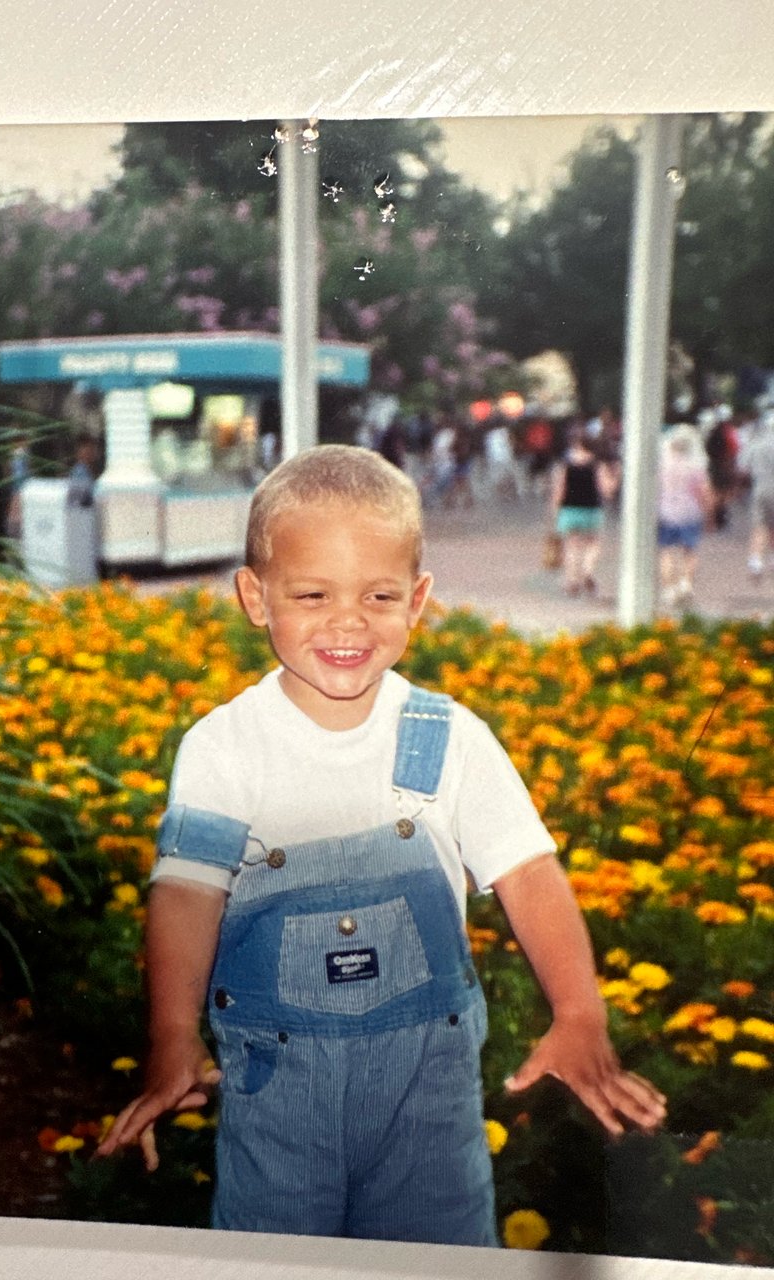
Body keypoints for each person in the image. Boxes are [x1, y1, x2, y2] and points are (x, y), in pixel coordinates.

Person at [97, 445, 665, 1244]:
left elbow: (529, 872)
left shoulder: (450, 737)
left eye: (379, 595)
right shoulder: (225, 748)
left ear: (417, 600)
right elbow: (187, 894)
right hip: (277, 1105)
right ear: (255, 597)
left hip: (427, 1109)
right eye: (313, 594)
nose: (348, 621)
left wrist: (579, 1011)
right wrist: (171, 1035)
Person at [550, 422, 619, 597]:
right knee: (593, 544)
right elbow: (607, 490)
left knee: (571, 546)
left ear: (574, 443)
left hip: (569, 509)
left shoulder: (565, 464)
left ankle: (572, 581)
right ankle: (587, 571)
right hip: (592, 510)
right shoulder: (597, 465)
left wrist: (555, 511)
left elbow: (559, 490)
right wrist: (616, 478)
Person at [657, 424, 714, 607]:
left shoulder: (663, 465)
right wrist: (709, 512)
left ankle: (668, 589)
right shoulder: (695, 466)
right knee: (690, 551)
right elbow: (704, 491)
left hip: (666, 512)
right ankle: (686, 584)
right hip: (690, 512)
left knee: (666, 551)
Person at [740, 410, 774, 581]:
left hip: (760, 487)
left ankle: (756, 562)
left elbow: (743, 466)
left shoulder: (757, 443)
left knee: (759, 525)